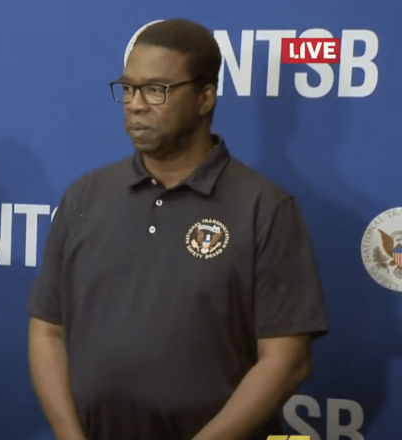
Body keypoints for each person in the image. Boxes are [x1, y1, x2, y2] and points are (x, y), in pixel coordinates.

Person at [26, 19, 329, 440]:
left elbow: (287, 360)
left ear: (205, 97)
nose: (135, 105)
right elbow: (47, 330)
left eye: (156, 90)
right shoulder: (84, 197)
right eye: (128, 88)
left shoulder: (264, 208)